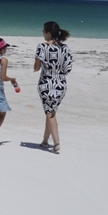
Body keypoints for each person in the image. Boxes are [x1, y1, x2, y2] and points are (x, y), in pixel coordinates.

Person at [34, 21, 73, 153]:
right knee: (51, 112)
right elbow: (68, 68)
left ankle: (56, 143)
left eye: (44, 31)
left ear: (48, 33)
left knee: (49, 113)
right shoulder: (65, 48)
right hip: (61, 84)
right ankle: (45, 141)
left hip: (46, 83)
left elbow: (36, 67)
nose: (43, 34)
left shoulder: (42, 47)